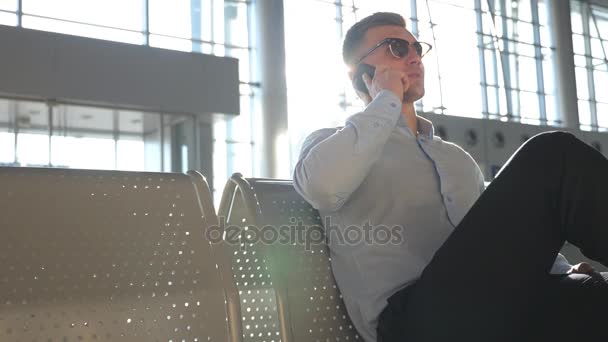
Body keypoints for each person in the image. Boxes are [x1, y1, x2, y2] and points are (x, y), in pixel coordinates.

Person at [293, 12, 608, 342]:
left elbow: (503, 235)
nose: (415, 56)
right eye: (396, 47)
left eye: (417, 47)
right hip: (416, 321)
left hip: (500, 304)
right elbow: (321, 188)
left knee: (595, 295)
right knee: (552, 154)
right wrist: (385, 99)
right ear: (360, 74)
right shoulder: (330, 143)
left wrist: (562, 269)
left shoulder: (456, 158)